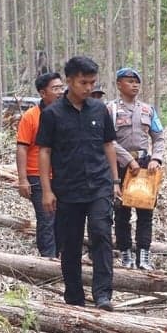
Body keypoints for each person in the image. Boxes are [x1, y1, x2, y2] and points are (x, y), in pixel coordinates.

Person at [36, 56, 120, 310]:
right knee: (70, 243)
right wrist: (47, 191)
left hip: (99, 185)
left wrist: (115, 180)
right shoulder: (52, 114)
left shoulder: (99, 109)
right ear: (69, 80)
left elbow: (108, 144)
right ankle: (74, 297)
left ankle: (103, 294)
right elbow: (44, 152)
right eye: (83, 82)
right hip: (67, 189)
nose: (88, 88)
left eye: (92, 82)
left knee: (101, 234)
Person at [108, 67, 165, 271]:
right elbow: (108, 141)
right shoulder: (110, 109)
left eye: (136, 81)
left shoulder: (148, 110)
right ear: (119, 84)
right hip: (120, 167)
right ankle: (125, 253)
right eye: (129, 81)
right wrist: (127, 160)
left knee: (145, 210)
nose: (134, 85)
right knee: (121, 212)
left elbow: (158, 137)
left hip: (144, 166)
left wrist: (156, 158)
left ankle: (144, 254)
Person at [15, 71, 65, 258]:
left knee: (63, 218)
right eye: (55, 88)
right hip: (37, 175)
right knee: (46, 218)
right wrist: (23, 179)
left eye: (62, 87)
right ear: (43, 93)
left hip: (63, 175)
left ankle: (62, 256)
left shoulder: (67, 113)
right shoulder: (31, 116)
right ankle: (48, 259)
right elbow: (22, 148)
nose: (60, 92)